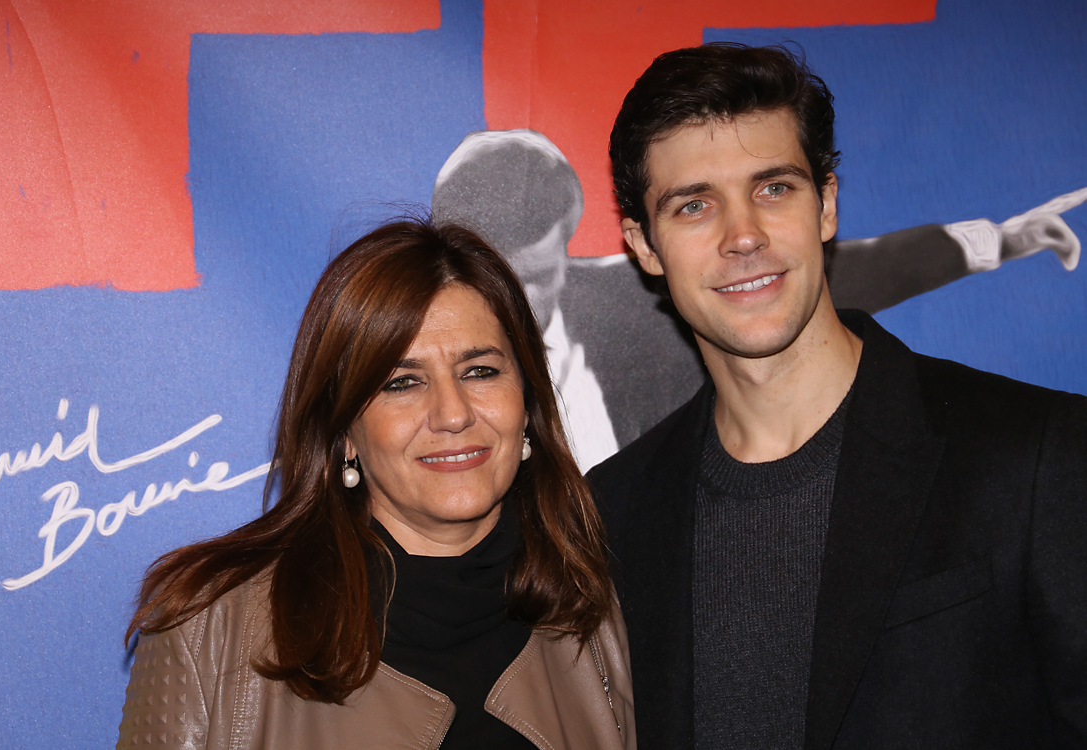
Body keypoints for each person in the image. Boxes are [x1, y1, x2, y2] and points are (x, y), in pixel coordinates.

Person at [589, 42, 1087, 749]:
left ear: (825, 205)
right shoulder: (612, 511)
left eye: (772, 189)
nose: (743, 236)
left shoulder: (1036, 455)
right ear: (642, 246)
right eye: (694, 206)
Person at [116, 219, 635, 749]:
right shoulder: (211, 630)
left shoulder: (605, 601)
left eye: (479, 371)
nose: (452, 414)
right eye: (401, 383)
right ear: (345, 432)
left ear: (527, 402)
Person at [432, 131, 1083, 463]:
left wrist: (995, 241)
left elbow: (845, 273)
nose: (524, 300)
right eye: (500, 280)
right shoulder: (412, 357)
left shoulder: (634, 301)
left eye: (542, 277)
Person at [433, 130, 619, 470]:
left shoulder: (640, 309)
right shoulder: (419, 343)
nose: (526, 304)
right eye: (506, 284)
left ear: (566, 248)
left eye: (541, 278)